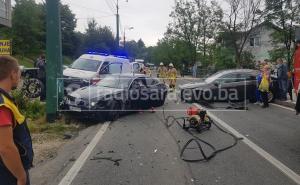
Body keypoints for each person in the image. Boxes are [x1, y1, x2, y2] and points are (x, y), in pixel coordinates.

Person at [0, 56, 34, 185]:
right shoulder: (3, 104)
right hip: (8, 172)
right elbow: (5, 147)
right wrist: (21, 176)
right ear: (13, 74)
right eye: (19, 72)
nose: (20, 77)